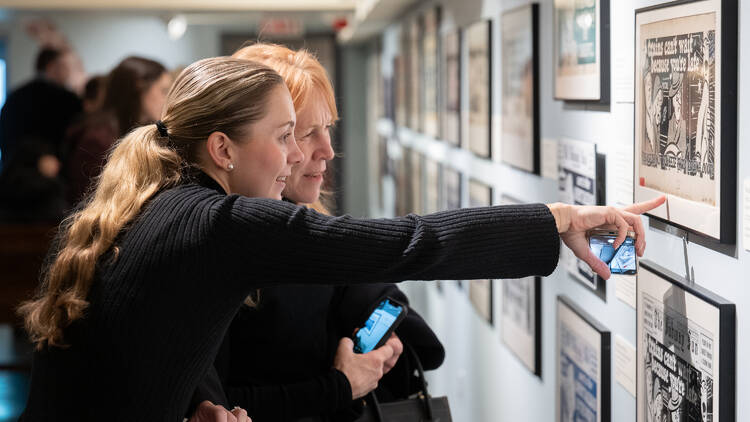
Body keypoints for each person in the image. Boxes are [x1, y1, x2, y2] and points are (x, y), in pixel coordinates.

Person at [17, 56, 662, 421]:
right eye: (284, 135)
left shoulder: (150, 203)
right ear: (222, 148)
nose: (300, 154)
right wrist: (559, 220)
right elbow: (408, 243)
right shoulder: (220, 224)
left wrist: (198, 405)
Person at [189, 43, 445, 422]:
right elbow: (214, 405)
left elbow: (417, 336)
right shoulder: (214, 250)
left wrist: (375, 345)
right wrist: (340, 385)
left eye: (327, 129)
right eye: (303, 133)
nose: (327, 149)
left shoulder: (305, 226)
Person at [63, 56, 171, 204]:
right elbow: (89, 204)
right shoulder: (97, 140)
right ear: (139, 87)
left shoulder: (147, 132)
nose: (167, 99)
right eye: (163, 90)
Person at [0, 47, 82, 169]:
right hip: (51, 174)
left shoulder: (15, 96)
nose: (69, 72)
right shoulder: (66, 100)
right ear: (51, 66)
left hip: (13, 172)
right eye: (65, 67)